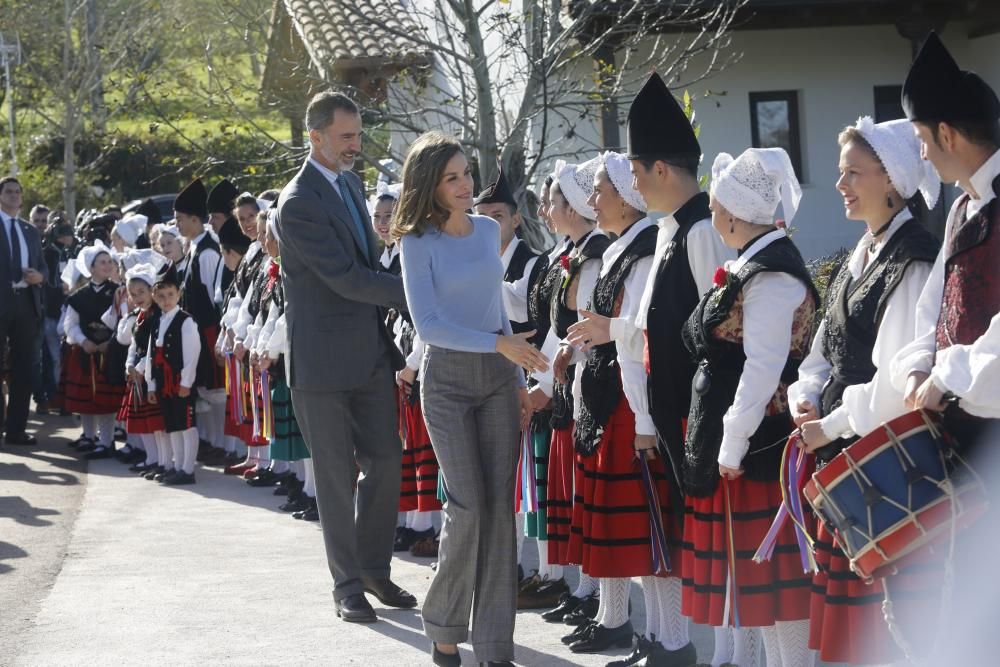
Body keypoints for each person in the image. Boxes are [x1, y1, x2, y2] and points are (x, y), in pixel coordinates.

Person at [786, 116, 941, 664]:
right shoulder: (865, 251)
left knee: (889, 634)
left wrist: (827, 424)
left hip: (883, 467)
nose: (840, 183)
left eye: (854, 172)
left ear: (892, 180)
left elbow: (896, 385)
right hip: (846, 458)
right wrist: (802, 398)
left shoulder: (913, 260)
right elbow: (821, 354)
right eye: (839, 171)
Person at [394, 130, 547, 667]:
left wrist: (516, 371)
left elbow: (492, 308)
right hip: (448, 384)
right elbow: (430, 325)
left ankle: (495, 647)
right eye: (452, 178)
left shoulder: (487, 231)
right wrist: (499, 344)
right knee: (468, 507)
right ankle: (442, 625)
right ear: (430, 186)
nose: (465, 185)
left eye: (466, 174)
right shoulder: (415, 243)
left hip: (498, 379)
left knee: (499, 511)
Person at [275, 91, 415, 623]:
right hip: (322, 366)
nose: (357, 145)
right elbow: (348, 279)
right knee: (335, 477)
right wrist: (414, 289)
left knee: (385, 461)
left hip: (370, 357)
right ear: (315, 137)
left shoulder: (351, 185)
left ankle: (375, 569)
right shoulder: (298, 202)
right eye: (346, 137)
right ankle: (347, 584)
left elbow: (372, 259)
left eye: (358, 134)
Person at [681, 147, 817, 667]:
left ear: (734, 214)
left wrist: (733, 441)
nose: (712, 215)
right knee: (762, 583)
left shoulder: (773, 275)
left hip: (764, 441)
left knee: (778, 584)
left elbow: (763, 367)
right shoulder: (753, 264)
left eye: (715, 205)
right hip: (747, 436)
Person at [889, 30, 1000, 664]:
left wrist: (949, 373)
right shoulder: (960, 209)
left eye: (925, 143)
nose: (924, 158)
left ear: (949, 136)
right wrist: (917, 366)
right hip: (964, 435)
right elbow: (933, 306)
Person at [173, 178, 227, 465]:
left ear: (196, 219)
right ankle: (211, 440)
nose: (177, 224)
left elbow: (214, 298)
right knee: (204, 390)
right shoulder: (194, 246)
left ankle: (222, 443)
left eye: (180, 219)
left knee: (217, 390)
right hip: (195, 330)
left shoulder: (207, 251)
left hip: (208, 329)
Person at [62, 241, 123, 455]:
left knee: (106, 400)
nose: (107, 265)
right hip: (85, 353)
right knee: (86, 398)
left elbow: (125, 322)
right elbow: (70, 324)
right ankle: (89, 436)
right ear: (91, 268)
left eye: (109, 262)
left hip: (108, 353)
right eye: (102, 262)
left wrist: (111, 342)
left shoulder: (119, 292)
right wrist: (83, 341)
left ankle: (106, 441)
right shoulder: (78, 297)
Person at [0, 176, 47, 446]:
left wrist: (39, 278)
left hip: (26, 304)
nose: (14, 195)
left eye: (18, 191)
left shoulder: (30, 231)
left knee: (24, 369)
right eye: (9, 191)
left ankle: (16, 430)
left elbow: (43, 267)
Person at [146, 267, 202, 485]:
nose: (166, 300)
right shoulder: (157, 321)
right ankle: (177, 466)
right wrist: (151, 385)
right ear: (154, 297)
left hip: (179, 382)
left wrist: (186, 382)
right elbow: (152, 354)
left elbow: (192, 353)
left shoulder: (186, 321)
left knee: (187, 425)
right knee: (173, 425)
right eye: (160, 296)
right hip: (163, 383)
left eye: (170, 295)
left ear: (178, 294)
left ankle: (188, 470)